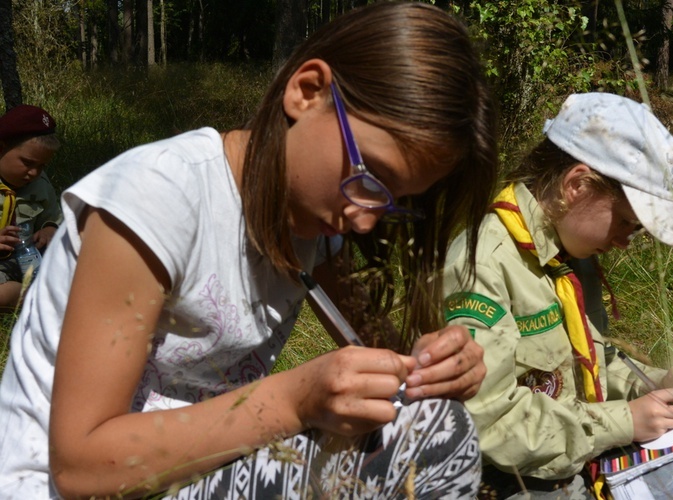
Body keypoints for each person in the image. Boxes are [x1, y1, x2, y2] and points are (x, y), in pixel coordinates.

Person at [0, 2, 498, 498]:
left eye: (395, 202)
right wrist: (295, 400)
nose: (366, 218)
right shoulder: (156, 200)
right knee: (437, 437)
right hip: (62, 486)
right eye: (369, 176)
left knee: (434, 423)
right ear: (307, 92)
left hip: (190, 473)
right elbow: (79, 468)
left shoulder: (315, 223)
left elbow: (380, 354)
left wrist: (431, 367)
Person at [442, 92, 673, 499]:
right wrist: (625, 421)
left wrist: (649, 387)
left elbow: (579, 367)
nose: (625, 242)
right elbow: (490, 422)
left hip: (576, 468)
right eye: (626, 223)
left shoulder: (566, 253)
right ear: (577, 185)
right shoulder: (482, 267)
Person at [0, 104, 63, 310]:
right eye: (27, 163)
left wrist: (49, 228)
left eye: (41, 166)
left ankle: (51, 290)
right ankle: (35, 297)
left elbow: (53, 214)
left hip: (31, 257)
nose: (34, 173)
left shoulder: (40, 184)